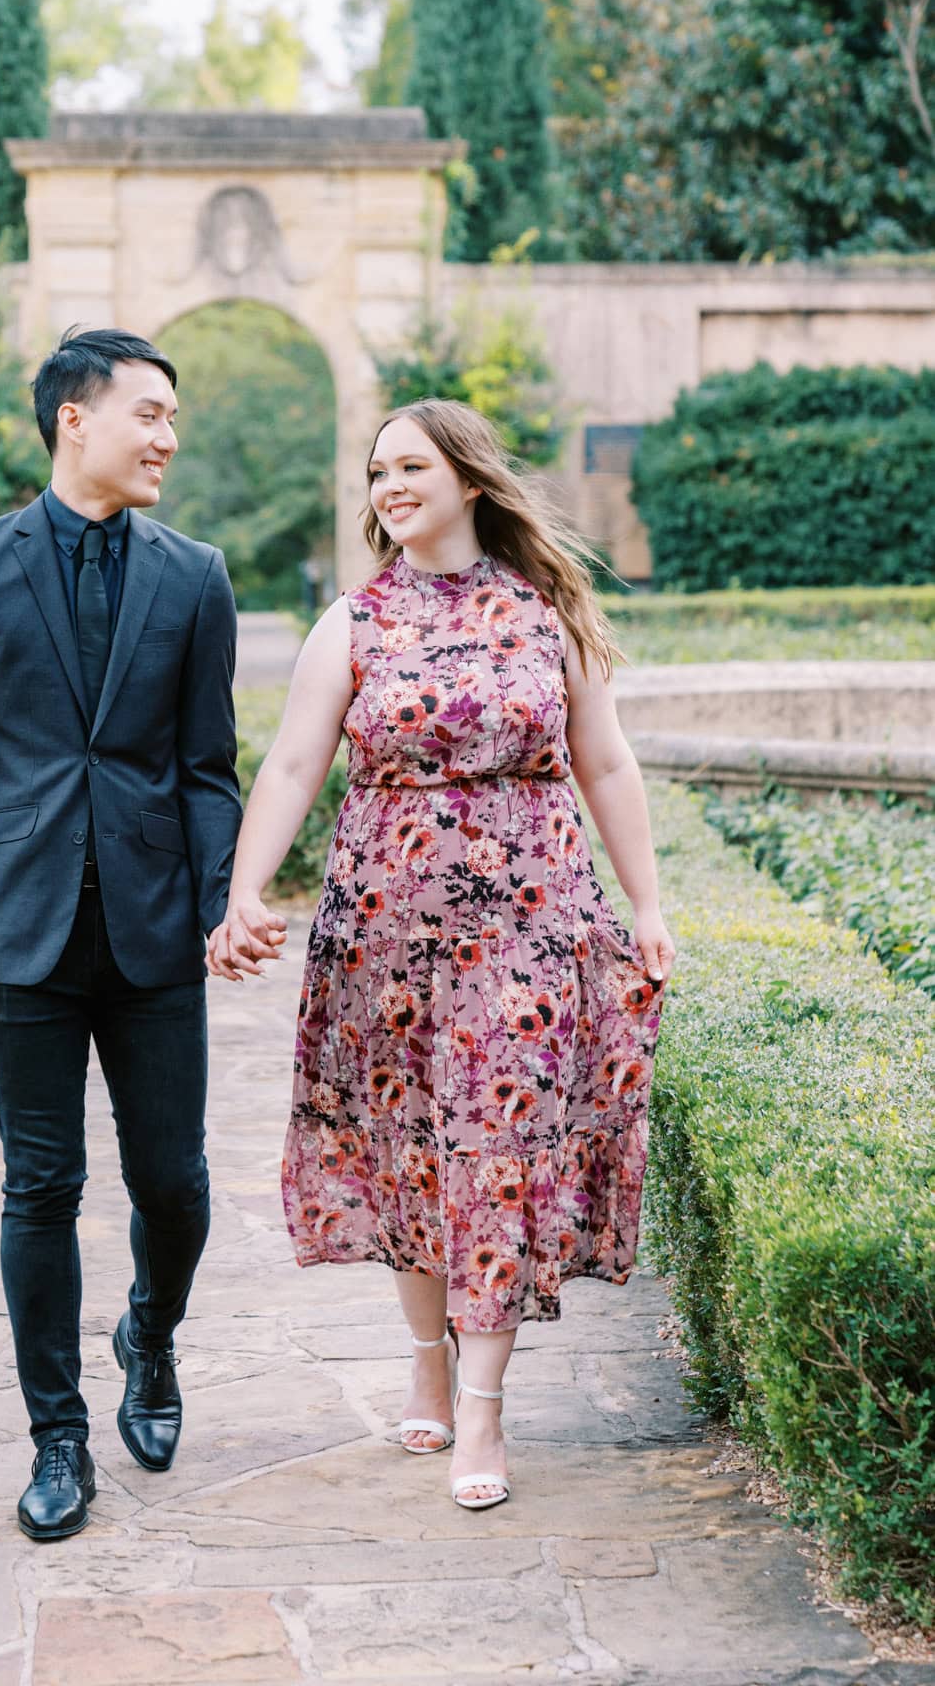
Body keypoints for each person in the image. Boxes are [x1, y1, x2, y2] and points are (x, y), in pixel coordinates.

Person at [206, 398, 675, 1514]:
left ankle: (483, 1403)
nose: (390, 487)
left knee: (498, 1148)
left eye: (411, 465)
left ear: (467, 477)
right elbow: (291, 765)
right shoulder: (351, 622)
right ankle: (426, 1357)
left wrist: (646, 903)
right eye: (377, 472)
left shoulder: (546, 613)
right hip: (384, 936)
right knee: (411, 1149)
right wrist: (243, 890)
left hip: (528, 928)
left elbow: (605, 763)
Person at [0, 326, 247, 1544]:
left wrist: (222, 900)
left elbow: (207, 767)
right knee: (39, 1184)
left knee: (174, 1180)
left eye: (172, 418)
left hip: (153, 931)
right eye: (149, 412)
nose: (167, 437)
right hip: (18, 931)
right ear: (73, 418)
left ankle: (149, 1333)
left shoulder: (195, 575)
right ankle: (57, 1436)